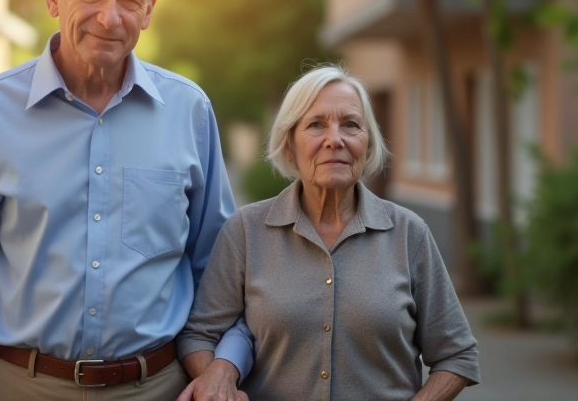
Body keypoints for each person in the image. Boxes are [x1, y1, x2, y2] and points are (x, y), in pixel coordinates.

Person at [0, 0, 252, 401]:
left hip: (156, 388)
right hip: (20, 388)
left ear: (149, 10)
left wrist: (226, 367)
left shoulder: (189, 112)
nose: (110, 17)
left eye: (130, 0)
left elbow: (221, 275)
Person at [178, 65, 480, 401]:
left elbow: (458, 355)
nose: (334, 139)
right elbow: (200, 334)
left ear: (367, 145)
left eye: (350, 125)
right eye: (316, 125)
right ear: (289, 146)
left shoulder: (409, 233)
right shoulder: (245, 231)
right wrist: (218, 383)